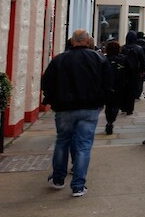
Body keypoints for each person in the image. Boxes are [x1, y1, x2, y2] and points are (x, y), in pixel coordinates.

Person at [42, 29, 113, 197]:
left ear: (72, 41)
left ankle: (58, 179)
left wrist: (52, 101)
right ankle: (78, 186)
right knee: (83, 146)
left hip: (64, 108)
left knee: (62, 142)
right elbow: (108, 83)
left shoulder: (59, 60)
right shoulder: (99, 59)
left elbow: (47, 83)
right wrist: (101, 101)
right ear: (88, 42)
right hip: (89, 108)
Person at [102, 41, 132, 135]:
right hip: (120, 85)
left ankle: (109, 120)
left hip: (107, 85)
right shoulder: (123, 59)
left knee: (108, 105)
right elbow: (129, 71)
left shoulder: (104, 59)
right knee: (116, 105)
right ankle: (111, 121)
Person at [121, 32, 145, 109]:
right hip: (135, 71)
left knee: (124, 88)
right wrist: (143, 70)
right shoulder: (139, 48)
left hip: (124, 71)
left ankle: (124, 106)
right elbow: (143, 60)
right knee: (132, 89)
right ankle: (130, 107)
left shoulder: (123, 48)